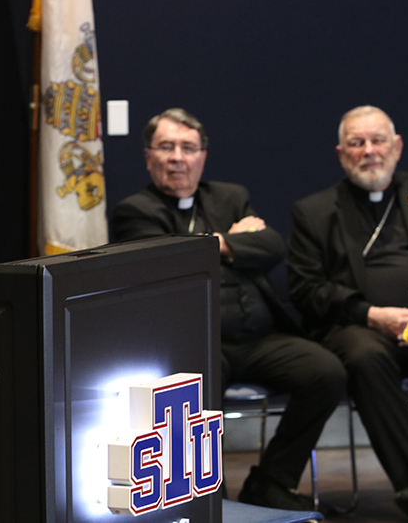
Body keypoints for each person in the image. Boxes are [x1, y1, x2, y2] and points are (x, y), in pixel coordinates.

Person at [110, 108, 346, 511]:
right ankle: (207, 498)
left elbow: (272, 247)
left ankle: (271, 481)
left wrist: (210, 244)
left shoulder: (230, 196)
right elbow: (165, 260)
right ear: (148, 156)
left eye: (188, 147)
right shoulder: (134, 210)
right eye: (166, 147)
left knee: (326, 372)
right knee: (195, 383)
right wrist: (229, 243)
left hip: (259, 338)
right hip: (194, 340)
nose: (177, 157)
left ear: (203, 155)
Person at [287, 105, 408, 519]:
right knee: (363, 357)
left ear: (397, 147)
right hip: (359, 328)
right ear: (341, 153)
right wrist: (373, 314)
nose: (369, 151)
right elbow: (307, 288)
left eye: (378, 140)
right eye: (356, 143)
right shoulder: (314, 212)